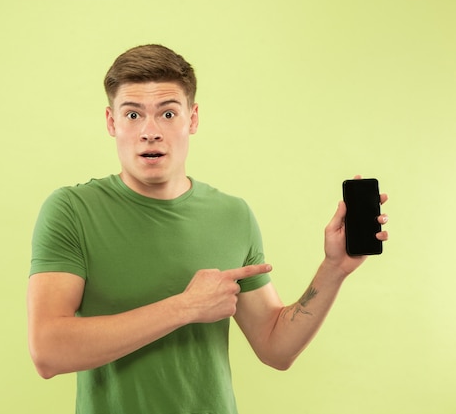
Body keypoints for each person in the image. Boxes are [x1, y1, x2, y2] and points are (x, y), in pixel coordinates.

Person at [26, 44, 389, 414]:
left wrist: (334, 269)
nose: (150, 132)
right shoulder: (71, 210)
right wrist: (185, 307)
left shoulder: (233, 215)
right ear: (111, 122)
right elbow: (48, 351)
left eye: (168, 113)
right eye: (133, 114)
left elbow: (275, 347)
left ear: (193, 119)